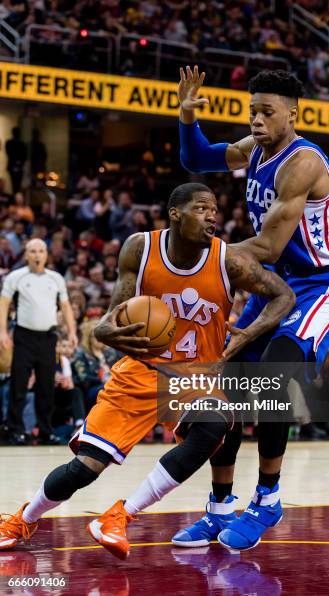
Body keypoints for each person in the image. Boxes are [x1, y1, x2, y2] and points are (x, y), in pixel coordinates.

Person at [0, 183, 295, 559]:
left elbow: (284, 295)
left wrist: (244, 337)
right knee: (85, 468)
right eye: (202, 208)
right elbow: (110, 320)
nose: (212, 216)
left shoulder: (228, 260)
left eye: (215, 210)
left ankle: (119, 515)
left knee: (215, 424)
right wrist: (107, 330)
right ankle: (24, 517)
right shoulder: (140, 249)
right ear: (176, 213)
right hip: (139, 372)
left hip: (193, 378)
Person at [174, 66, 329, 550]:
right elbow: (195, 157)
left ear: (292, 114)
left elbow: (271, 245)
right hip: (275, 284)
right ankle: (219, 508)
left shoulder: (302, 163)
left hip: (321, 280)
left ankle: (268, 497)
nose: (256, 120)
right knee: (227, 382)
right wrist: (187, 117)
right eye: (251, 110)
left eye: (266, 112)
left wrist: (201, 257)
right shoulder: (254, 149)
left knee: (276, 370)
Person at [0, 239, 78, 445]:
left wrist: (72, 331)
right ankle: (14, 429)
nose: (37, 255)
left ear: (46, 254)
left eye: (41, 251)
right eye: (33, 251)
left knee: (46, 386)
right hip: (24, 336)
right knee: (19, 385)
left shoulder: (56, 278)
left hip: (48, 337)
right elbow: (4, 303)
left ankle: (45, 431)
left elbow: (66, 306)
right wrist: (2, 332)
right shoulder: (16, 277)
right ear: (26, 255)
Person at [5, 127, 27, 194]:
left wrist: (19, 163)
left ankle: (17, 197)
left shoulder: (22, 144)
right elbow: (9, 153)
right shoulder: (9, 142)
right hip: (13, 166)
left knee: (17, 185)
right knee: (14, 184)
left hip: (19, 166)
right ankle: (15, 197)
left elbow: (24, 155)